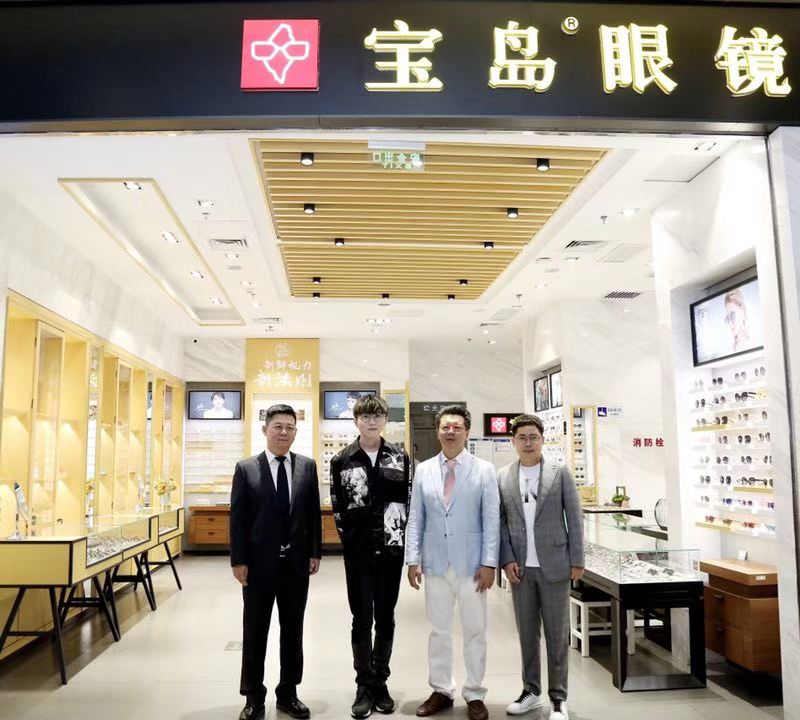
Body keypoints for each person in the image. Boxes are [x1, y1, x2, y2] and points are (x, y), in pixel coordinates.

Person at [405, 405, 499, 720]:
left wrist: (489, 563)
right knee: (439, 631)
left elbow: (492, 519)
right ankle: (442, 690)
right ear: (438, 431)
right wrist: (413, 559)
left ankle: (475, 693)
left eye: (456, 427)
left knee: (475, 631)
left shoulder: (484, 470)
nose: (450, 432)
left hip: (472, 565)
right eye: (445, 426)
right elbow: (416, 517)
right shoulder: (423, 470)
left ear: (466, 432)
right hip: (434, 562)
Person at [229, 404, 322, 720]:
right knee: (255, 631)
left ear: (296, 431)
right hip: (258, 567)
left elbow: (312, 514)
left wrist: (314, 551)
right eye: (278, 426)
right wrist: (238, 559)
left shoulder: (306, 466)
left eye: (289, 427)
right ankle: (253, 697)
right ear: (265, 430)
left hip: (296, 565)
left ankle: (288, 693)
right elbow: (238, 519)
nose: (284, 432)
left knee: (293, 631)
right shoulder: (247, 468)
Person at [330, 395, 412, 719]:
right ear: (356, 421)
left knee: (386, 617)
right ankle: (363, 685)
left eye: (378, 416)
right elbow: (338, 508)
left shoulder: (400, 458)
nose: (372, 421)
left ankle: (381, 682)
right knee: (361, 619)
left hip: (391, 551)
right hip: (359, 554)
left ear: (385, 420)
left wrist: (401, 541)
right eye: (366, 416)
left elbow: (408, 502)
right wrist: (351, 543)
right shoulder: (342, 460)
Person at [497, 414, 584, 720]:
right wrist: (506, 559)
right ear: (513, 441)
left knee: (557, 636)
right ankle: (531, 691)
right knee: (527, 635)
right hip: (521, 570)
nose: (528, 443)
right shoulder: (504, 476)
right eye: (522, 438)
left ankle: (558, 698)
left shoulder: (560, 473)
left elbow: (574, 517)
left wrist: (577, 560)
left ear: (542, 439)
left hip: (555, 565)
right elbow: (501, 522)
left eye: (533, 437)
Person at [724, 288, 751, 352]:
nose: (730, 323)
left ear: (742, 310)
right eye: (728, 318)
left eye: (732, 315)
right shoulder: (729, 351)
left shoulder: (753, 343)